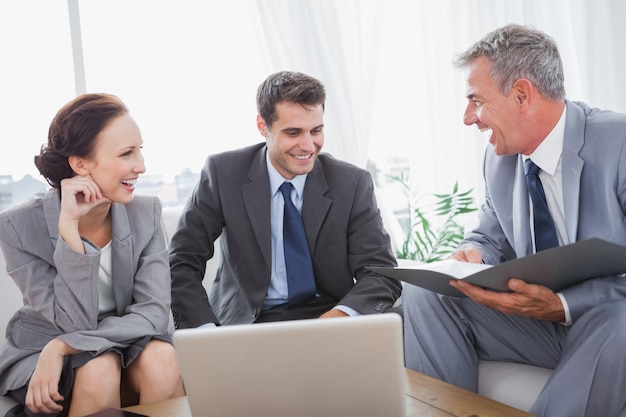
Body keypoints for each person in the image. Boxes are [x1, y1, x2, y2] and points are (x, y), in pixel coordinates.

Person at [402, 23, 626, 417]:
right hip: (539, 322)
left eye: (476, 100)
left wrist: (562, 304)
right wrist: (472, 252)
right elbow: (490, 233)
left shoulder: (619, 143)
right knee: (427, 295)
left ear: (522, 94)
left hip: (606, 319)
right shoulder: (500, 159)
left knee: (620, 320)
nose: (469, 117)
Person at [169, 70, 401, 328]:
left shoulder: (351, 183)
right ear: (262, 126)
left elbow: (381, 272)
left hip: (327, 317)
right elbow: (181, 261)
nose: (308, 145)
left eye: (316, 131)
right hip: (244, 323)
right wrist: (205, 331)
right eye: (293, 133)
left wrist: (340, 317)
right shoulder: (223, 174)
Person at [0, 93, 185, 417]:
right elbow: (73, 321)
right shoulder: (17, 225)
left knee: (164, 360)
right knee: (100, 368)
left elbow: (153, 315)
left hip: (115, 342)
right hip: (43, 343)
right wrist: (69, 230)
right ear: (80, 164)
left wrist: (62, 348)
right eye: (127, 153)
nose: (141, 166)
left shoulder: (146, 213)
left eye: (140, 150)